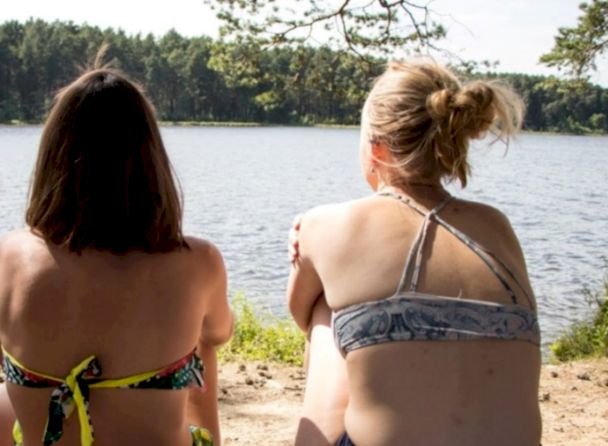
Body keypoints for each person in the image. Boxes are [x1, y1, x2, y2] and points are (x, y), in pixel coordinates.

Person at [287, 60, 542, 446]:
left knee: (325, 310)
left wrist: (307, 243)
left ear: (376, 149)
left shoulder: (326, 223)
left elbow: (299, 312)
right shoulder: (498, 226)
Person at [0, 64, 232, 446]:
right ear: (150, 162)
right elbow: (219, 333)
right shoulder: (198, 261)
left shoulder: (9, 255)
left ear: (53, 159)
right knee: (201, 343)